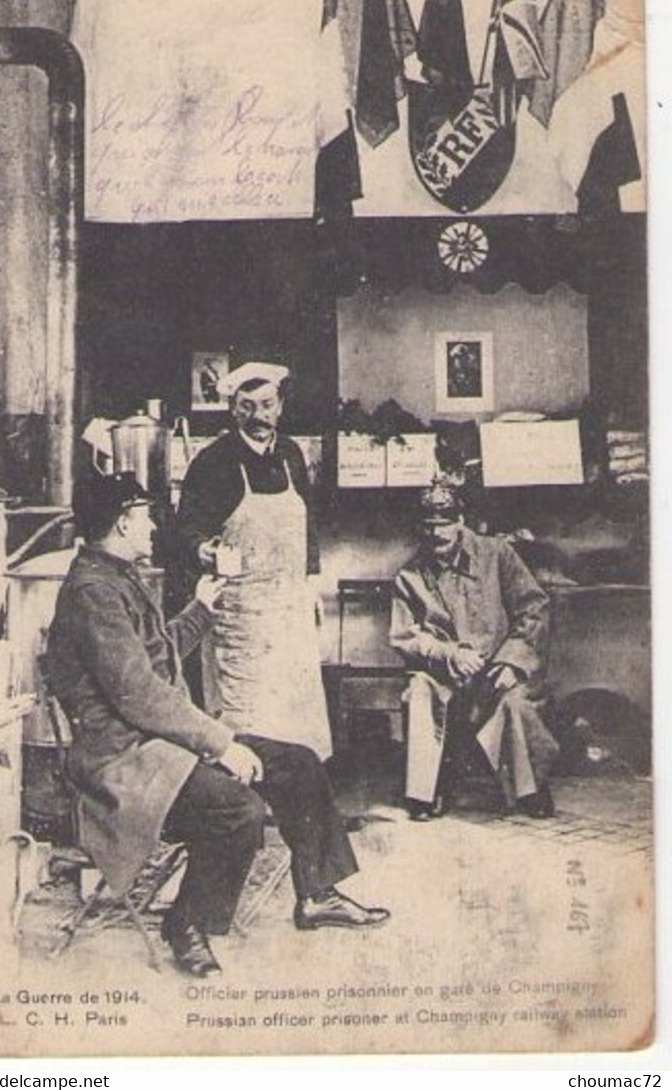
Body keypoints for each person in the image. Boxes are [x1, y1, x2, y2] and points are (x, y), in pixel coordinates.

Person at [46, 472, 388, 979]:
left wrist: (202, 609)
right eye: (146, 517)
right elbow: (139, 694)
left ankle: (317, 894)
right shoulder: (93, 592)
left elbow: (153, 665)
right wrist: (221, 743)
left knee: (298, 764)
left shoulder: (115, 576)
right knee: (237, 811)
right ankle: (186, 924)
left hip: (158, 744)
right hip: (124, 763)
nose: (154, 527)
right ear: (123, 523)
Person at [175, 360, 332, 759]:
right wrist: (204, 550)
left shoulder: (292, 454)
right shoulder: (213, 462)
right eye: (246, 406)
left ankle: (296, 803)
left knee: (294, 715)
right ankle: (248, 805)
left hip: (290, 612)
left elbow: (307, 522)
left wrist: (312, 579)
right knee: (248, 721)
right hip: (242, 619)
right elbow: (186, 530)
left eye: (266, 404)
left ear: (280, 405)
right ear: (233, 410)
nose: (258, 416)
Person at [390, 481, 559, 821]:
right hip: (446, 672)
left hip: (498, 665)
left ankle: (531, 788)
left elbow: (534, 607)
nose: (436, 533)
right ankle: (427, 790)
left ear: (461, 520)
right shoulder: (410, 575)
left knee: (515, 701)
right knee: (419, 691)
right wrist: (449, 654)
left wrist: (512, 660)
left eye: (444, 524)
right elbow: (405, 636)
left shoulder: (497, 554)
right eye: (428, 526)